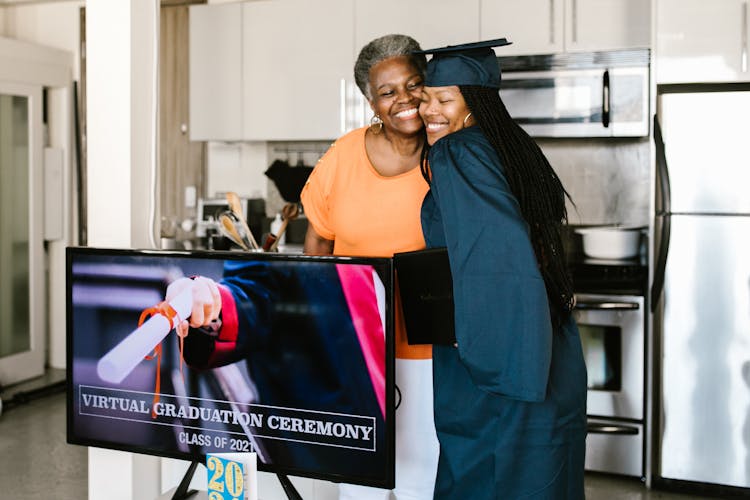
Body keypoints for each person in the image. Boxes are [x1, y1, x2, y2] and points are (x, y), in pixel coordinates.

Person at [415, 39, 588, 499]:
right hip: (543, 342)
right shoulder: (510, 146)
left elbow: (493, 258)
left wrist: (490, 361)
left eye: (444, 98)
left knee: (488, 477)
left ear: (476, 102)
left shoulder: (457, 153)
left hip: (498, 351)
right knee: (543, 473)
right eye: (425, 97)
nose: (428, 110)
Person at [301, 34, 440, 499]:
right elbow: (318, 240)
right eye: (387, 92)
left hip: (430, 347)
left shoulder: (449, 155)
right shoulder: (342, 156)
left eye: (413, 84)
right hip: (356, 343)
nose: (404, 100)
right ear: (370, 101)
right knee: (360, 476)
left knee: (423, 471)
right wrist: (318, 324)